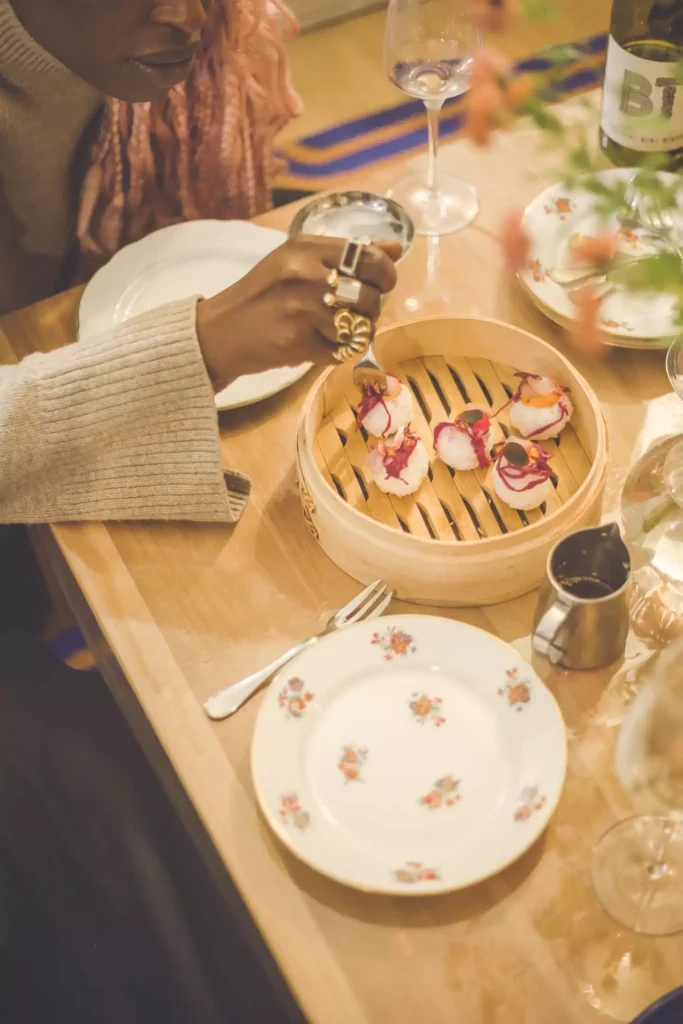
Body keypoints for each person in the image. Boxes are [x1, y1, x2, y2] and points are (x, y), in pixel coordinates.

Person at [0, 0, 400, 1021]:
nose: (183, 15)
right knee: (145, 844)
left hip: (57, 373)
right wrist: (204, 345)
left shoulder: (208, 50)